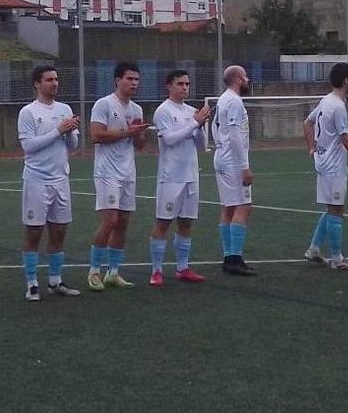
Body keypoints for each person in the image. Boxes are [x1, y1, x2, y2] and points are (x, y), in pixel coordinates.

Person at [17, 65, 83, 301]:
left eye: (56, 79)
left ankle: (55, 280)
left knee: (59, 231)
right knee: (34, 232)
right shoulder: (28, 112)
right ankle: (32, 283)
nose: (54, 83)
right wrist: (58, 130)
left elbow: (73, 146)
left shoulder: (65, 109)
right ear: (37, 83)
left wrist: (70, 132)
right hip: (37, 180)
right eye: (49, 80)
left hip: (61, 179)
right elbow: (29, 146)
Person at [302, 62, 348, 271]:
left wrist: (312, 149)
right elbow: (345, 140)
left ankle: (314, 249)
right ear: (346, 80)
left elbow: (307, 123)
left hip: (323, 163)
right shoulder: (338, 106)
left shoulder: (326, 100)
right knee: (337, 210)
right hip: (333, 166)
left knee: (331, 208)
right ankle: (337, 258)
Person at [87, 62, 151, 291]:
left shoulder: (136, 109)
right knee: (110, 220)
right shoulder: (104, 104)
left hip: (128, 171)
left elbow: (139, 145)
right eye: (129, 79)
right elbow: (96, 135)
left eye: (137, 79)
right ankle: (94, 271)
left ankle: (113, 272)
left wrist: (139, 134)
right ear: (117, 80)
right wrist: (127, 131)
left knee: (123, 222)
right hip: (107, 171)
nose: (134, 83)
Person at [149, 70, 213, 286]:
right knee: (163, 222)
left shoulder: (191, 111)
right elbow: (169, 140)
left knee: (186, 222)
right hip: (171, 177)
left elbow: (201, 146)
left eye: (187, 84)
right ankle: (156, 271)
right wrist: (194, 123)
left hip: (190, 176)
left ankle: (183, 267)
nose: (185, 87)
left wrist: (200, 126)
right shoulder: (163, 111)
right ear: (169, 86)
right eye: (180, 84)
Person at [213, 65, 259, 276]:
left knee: (229, 207)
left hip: (222, 157)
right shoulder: (234, 101)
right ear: (239, 79)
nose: (248, 80)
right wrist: (244, 167)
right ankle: (235, 258)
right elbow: (234, 135)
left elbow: (216, 129)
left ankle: (228, 257)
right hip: (232, 160)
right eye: (246, 76)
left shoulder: (223, 99)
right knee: (244, 206)